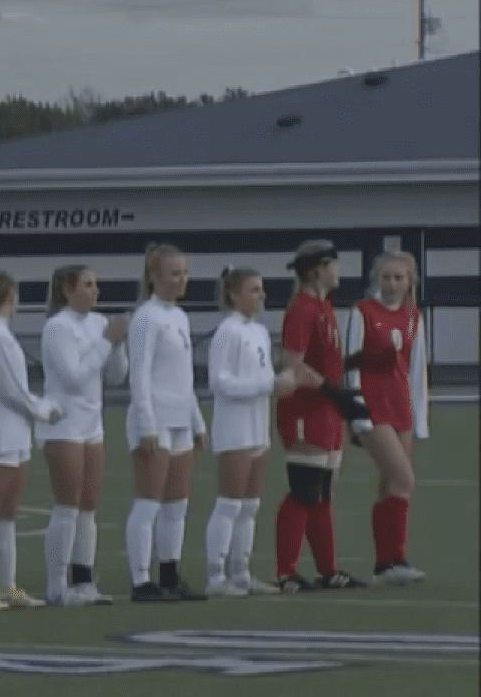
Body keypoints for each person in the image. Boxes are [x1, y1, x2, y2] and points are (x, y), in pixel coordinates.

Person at [205, 266, 310, 597]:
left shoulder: (259, 332)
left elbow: (264, 381)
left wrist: (279, 387)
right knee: (230, 504)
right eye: (253, 289)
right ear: (233, 295)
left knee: (249, 507)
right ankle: (215, 576)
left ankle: (241, 572)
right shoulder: (227, 331)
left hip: (257, 427)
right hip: (234, 428)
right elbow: (219, 383)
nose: (261, 295)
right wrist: (269, 384)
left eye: (261, 289)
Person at [0, 272, 63, 610]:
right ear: (12, 297)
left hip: (15, 431)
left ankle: (7, 585)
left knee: (7, 513)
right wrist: (44, 408)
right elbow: (10, 390)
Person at [273, 241, 365, 592]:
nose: (338, 270)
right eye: (333, 264)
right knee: (303, 491)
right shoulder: (302, 309)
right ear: (317, 269)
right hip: (305, 411)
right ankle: (286, 573)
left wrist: (341, 402)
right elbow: (292, 367)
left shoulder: (324, 306)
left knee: (323, 492)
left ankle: (329, 570)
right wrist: (335, 393)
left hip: (325, 411)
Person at [39, 265, 130, 606]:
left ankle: (83, 579)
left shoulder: (98, 323)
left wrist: (118, 345)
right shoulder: (57, 327)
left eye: (96, 284)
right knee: (68, 504)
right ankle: (57, 584)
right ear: (67, 289)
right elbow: (74, 376)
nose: (96, 291)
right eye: (88, 285)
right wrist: (107, 342)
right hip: (63, 423)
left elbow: (117, 377)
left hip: (92, 424)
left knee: (89, 506)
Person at [125, 244, 208, 602]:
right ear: (153, 276)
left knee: (177, 505)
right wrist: (147, 426)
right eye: (174, 274)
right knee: (149, 502)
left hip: (179, 421)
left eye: (185, 273)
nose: (181, 280)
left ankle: (170, 574)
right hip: (155, 420)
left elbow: (184, 377)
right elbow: (139, 376)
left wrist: (197, 422)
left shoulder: (179, 316)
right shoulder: (146, 317)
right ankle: (141, 580)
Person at [347, 251, 430, 584]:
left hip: (401, 408)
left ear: (410, 281)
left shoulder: (413, 316)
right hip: (372, 407)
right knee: (404, 480)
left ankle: (387, 564)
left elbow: (417, 371)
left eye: (399, 278)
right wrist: (358, 415)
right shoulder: (362, 312)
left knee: (390, 484)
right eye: (386, 277)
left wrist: (419, 419)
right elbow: (350, 365)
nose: (392, 284)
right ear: (376, 279)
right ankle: (394, 560)